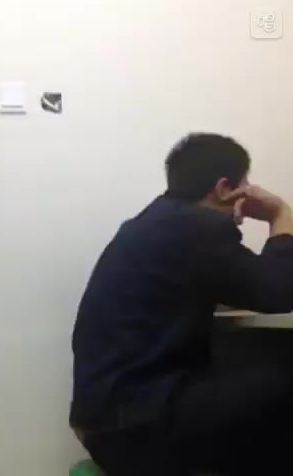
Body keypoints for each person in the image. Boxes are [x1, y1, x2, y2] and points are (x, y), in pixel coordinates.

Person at [70, 133, 293, 475]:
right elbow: (278, 292)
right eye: (245, 186)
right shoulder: (195, 227)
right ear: (224, 188)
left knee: (247, 371)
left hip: (107, 422)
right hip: (133, 432)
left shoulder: (154, 222)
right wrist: (281, 215)